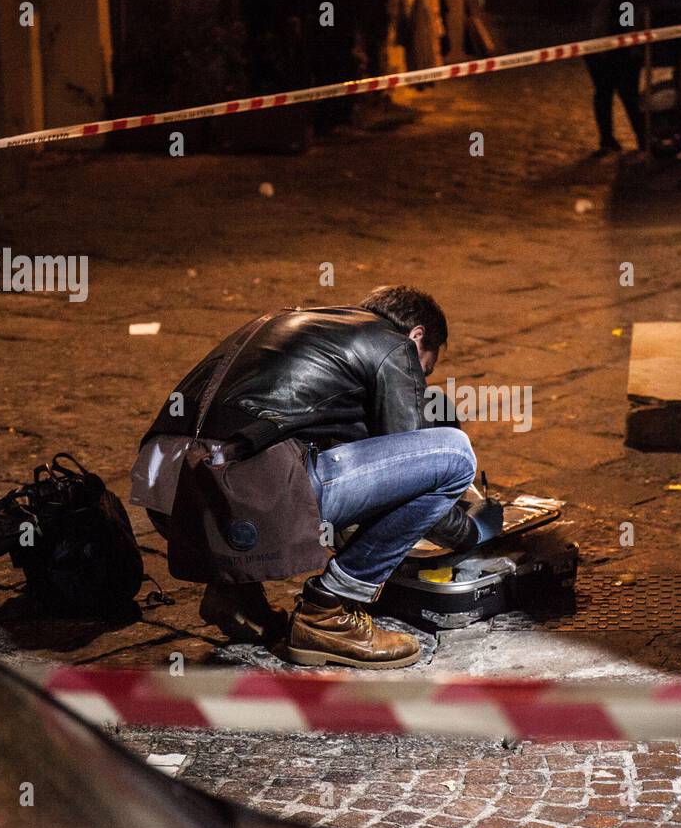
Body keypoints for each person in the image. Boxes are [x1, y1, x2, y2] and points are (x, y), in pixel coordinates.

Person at [130, 286, 503, 669]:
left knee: (282, 457)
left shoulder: (291, 323)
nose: (418, 381)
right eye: (423, 371)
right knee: (453, 454)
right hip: (236, 494)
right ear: (417, 335)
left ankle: (235, 595)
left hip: (167, 497)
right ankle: (328, 610)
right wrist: (474, 530)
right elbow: (414, 470)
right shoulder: (393, 345)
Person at [574, 0, 645, 156]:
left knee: (629, 94)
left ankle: (643, 138)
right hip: (598, 46)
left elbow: (631, 8)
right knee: (604, 92)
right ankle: (607, 139)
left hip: (624, 47)